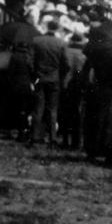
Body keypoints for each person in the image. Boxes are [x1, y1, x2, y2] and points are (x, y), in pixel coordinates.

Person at [29, 19, 68, 147]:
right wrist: (60, 75)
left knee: (38, 108)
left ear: (47, 27)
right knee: (52, 110)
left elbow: (30, 62)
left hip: (40, 77)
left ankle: (35, 137)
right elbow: (66, 64)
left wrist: (34, 75)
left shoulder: (37, 41)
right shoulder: (61, 43)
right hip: (54, 78)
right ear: (56, 29)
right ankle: (53, 138)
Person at [59, 32, 87, 150]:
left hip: (65, 84)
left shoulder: (65, 51)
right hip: (78, 86)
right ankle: (76, 142)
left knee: (65, 113)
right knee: (77, 114)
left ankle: (65, 140)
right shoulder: (83, 55)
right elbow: (81, 71)